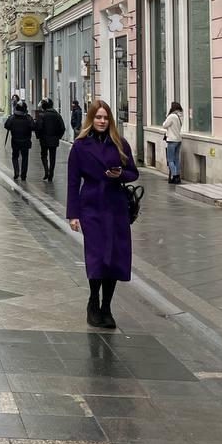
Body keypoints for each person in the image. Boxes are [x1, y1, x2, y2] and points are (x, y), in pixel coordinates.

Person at [67, 99, 139, 331]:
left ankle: (106, 307)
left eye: (105, 117)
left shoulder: (119, 143)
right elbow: (72, 182)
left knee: (115, 257)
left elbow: (133, 173)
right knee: (97, 256)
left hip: (115, 205)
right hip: (92, 205)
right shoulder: (79, 146)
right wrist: (73, 214)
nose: (102, 121)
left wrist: (119, 175)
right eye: (98, 117)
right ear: (91, 119)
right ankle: (93, 302)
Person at [3, 102, 36, 181]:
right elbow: (33, 127)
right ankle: (23, 175)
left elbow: (6, 125)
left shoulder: (12, 117)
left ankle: (16, 172)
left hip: (15, 140)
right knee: (25, 158)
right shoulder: (28, 118)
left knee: (15, 156)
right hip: (26, 141)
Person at [35, 99, 65, 181]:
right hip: (54, 139)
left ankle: (46, 171)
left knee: (44, 155)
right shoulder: (57, 115)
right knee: (53, 157)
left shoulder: (42, 115)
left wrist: (39, 136)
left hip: (44, 139)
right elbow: (62, 127)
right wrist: (58, 136)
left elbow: (38, 127)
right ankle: (51, 173)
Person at [163, 102, 184, 184]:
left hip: (172, 140)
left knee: (170, 159)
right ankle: (178, 177)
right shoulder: (180, 116)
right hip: (179, 140)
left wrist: (167, 117)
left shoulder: (172, 116)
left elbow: (164, 125)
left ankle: (174, 176)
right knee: (176, 159)